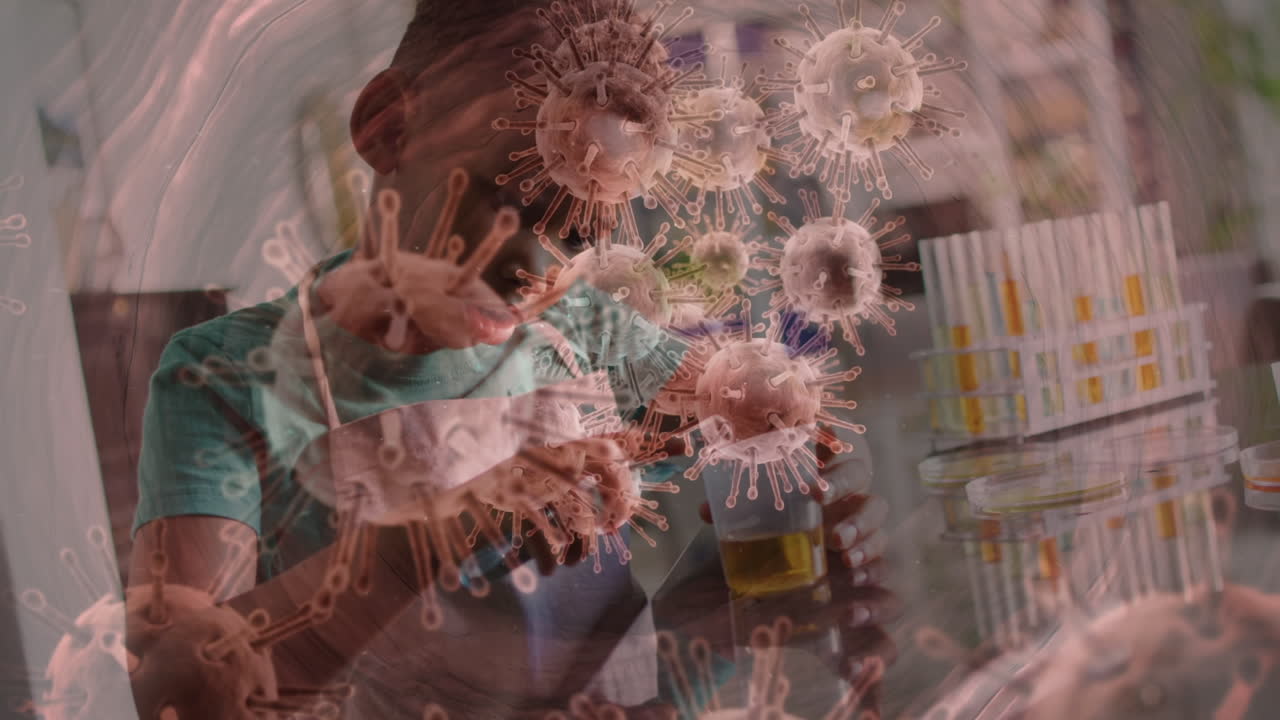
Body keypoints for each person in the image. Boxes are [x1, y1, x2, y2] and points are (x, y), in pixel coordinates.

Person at [125, 1, 893, 717]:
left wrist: (743, 602)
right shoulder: (230, 375)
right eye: (512, 204)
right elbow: (173, 684)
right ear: (388, 128)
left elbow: (641, 661)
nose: (535, 273)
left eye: (579, 234)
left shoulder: (591, 334)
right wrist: (429, 540)